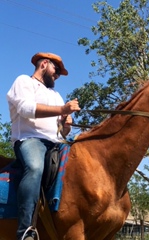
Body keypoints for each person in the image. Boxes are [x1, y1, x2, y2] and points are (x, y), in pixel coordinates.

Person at [7, 52, 80, 240]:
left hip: (56, 143)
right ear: (44, 64)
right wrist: (63, 109)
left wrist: (66, 125)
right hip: (30, 140)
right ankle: (25, 231)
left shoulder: (55, 95)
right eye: (56, 70)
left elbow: (61, 132)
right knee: (35, 167)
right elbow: (25, 109)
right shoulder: (24, 81)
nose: (57, 76)